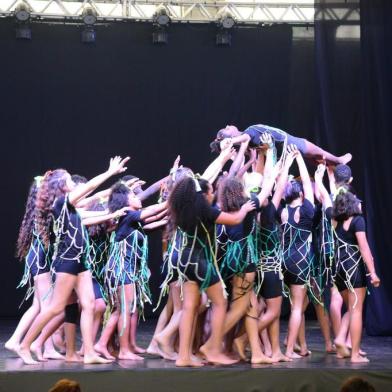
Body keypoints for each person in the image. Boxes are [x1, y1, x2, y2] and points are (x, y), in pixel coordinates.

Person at [17, 157, 131, 365]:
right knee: (55, 307)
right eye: (69, 179)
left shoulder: (70, 208)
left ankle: (88, 352)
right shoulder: (60, 203)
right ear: (61, 185)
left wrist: (112, 213)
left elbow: (88, 210)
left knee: (89, 304)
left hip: (81, 262)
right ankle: (25, 345)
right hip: (67, 260)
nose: (73, 182)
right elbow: (89, 188)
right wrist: (109, 172)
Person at [314, 164, 380, 363]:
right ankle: (354, 354)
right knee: (356, 309)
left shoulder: (331, 216)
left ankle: (341, 339)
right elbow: (364, 248)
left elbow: (326, 197)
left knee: (351, 307)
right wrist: (373, 272)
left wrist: (319, 179)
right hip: (352, 268)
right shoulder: (357, 220)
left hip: (338, 269)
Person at [211, 124, 352, 165]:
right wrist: (230, 141)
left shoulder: (248, 146)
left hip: (285, 146)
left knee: (316, 158)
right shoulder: (247, 134)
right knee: (317, 151)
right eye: (227, 128)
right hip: (289, 142)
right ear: (232, 135)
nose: (229, 125)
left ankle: (331, 164)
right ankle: (339, 160)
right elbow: (243, 138)